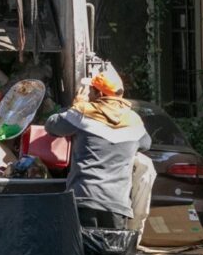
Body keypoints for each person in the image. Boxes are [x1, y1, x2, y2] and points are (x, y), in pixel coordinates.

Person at [44, 68, 151, 229]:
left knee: (81, 253)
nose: (88, 94)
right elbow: (145, 144)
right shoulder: (134, 121)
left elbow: (52, 126)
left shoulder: (84, 112)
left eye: (91, 90)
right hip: (117, 205)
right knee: (110, 253)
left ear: (99, 95)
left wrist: (77, 105)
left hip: (84, 200)